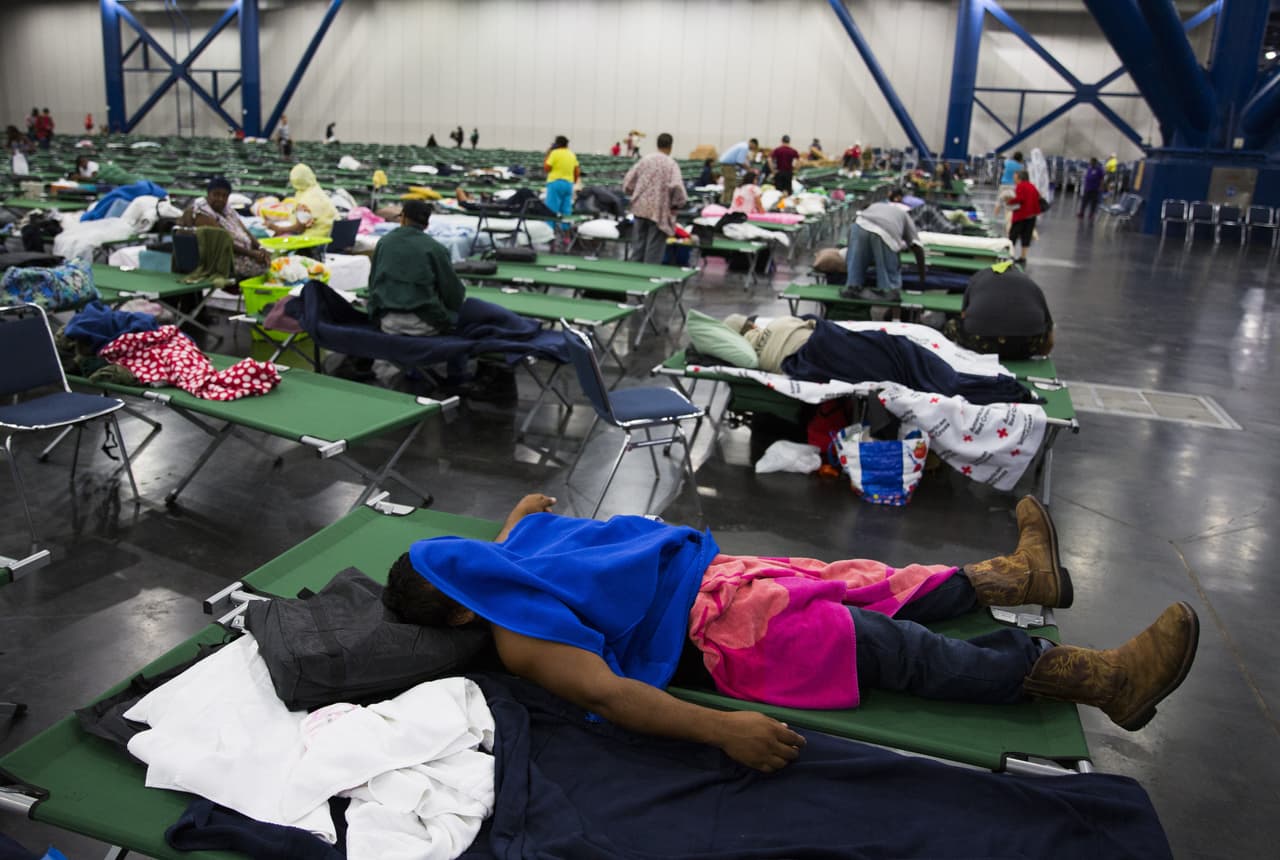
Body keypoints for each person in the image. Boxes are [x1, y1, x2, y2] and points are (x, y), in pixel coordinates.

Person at [383, 493, 1200, 773]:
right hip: (713, 634)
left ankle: (1016, 579)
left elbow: (517, 521)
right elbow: (610, 695)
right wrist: (721, 730)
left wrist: (516, 526)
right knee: (879, 646)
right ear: (465, 608)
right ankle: (1099, 680)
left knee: (866, 579)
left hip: (712, 575)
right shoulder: (519, 635)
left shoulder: (499, 560)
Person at [364, 199, 465, 385]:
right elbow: (454, 294)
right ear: (427, 223)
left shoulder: (384, 243)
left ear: (402, 218)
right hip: (424, 323)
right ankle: (456, 380)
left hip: (388, 322)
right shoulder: (435, 248)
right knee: (465, 324)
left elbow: (373, 284)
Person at [948, 265, 1054, 359]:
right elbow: (1049, 325)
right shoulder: (1030, 283)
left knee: (951, 325)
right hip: (1028, 347)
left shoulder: (978, 277)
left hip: (981, 343)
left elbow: (964, 315)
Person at [842, 188, 926, 303]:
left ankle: (853, 287)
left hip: (859, 224)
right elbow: (917, 247)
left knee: (856, 262)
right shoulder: (905, 215)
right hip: (885, 231)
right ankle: (889, 291)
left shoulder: (876, 205)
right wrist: (922, 277)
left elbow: (852, 241)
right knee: (889, 271)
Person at [179, 177, 272, 280]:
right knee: (268, 269)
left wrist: (260, 248)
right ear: (208, 194)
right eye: (216, 194)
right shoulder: (202, 212)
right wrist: (252, 254)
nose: (220, 199)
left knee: (272, 259)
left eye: (224, 196)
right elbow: (224, 241)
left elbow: (245, 231)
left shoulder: (227, 209)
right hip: (226, 259)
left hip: (244, 253)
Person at [621, 132, 688, 265]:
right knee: (654, 249)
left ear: (657, 144)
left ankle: (633, 278)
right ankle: (647, 280)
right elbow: (677, 186)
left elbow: (628, 182)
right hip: (659, 210)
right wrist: (677, 204)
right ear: (670, 146)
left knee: (638, 246)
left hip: (640, 208)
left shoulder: (644, 160)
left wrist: (634, 193)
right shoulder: (671, 164)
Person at [268, 163, 337, 239]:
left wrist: (278, 229)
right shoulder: (319, 191)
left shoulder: (304, 201)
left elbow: (299, 228)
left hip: (317, 239)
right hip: (333, 235)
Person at [543, 135, 580, 238]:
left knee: (551, 209)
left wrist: (549, 153)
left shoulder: (554, 153)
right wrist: (573, 182)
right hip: (568, 184)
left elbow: (546, 168)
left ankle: (549, 234)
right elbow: (577, 171)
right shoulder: (571, 154)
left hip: (555, 183)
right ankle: (567, 236)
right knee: (566, 210)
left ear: (556, 143)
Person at [1004, 170, 1042, 266]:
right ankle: (1023, 257)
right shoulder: (1031, 185)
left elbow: (1020, 198)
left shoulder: (1021, 186)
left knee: (1013, 235)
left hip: (1022, 215)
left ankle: (1010, 255)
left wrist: (1009, 200)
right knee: (1027, 236)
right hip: (1032, 215)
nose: (1014, 179)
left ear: (1019, 178)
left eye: (1015, 177)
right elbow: (1038, 195)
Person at [717, 138, 757, 205]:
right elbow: (740, 161)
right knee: (731, 184)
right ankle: (727, 203)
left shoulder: (742, 145)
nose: (752, 149)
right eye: (754, 147)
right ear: (752, 144)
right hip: (728, 166)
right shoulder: (745, 147)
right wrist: (749, 169)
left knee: (728, 185)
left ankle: (724, 201)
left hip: (728, 165)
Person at [993, 151, 1023, 222]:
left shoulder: (1008, 163)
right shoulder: (1020, 166)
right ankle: (1009, 219)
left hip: (1004, 185)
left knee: (999, 201)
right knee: (1011, 204)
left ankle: (994, 218)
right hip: (1014, 186)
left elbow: (1004, 160)